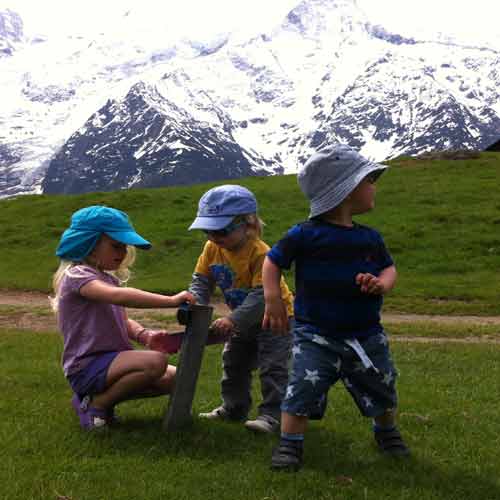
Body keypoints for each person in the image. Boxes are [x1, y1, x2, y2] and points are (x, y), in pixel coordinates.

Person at [262, 144, 410, 471]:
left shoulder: (370, 238)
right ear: (345, 190)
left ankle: (386, 431)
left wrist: (382, 283)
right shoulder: (304, 234)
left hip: (366, 334)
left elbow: (389, 268)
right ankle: (290, 445)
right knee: (302, 386)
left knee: (382, 382)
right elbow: (272, 262)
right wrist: (272, 297)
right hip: (316, 334)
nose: (375, 186)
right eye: (369, 179)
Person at [52, 205, 195, 430]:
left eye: (124, 247)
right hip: (86, 366)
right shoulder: (77, 276)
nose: (123, 253)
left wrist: (145, 336)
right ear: (88, 244)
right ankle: (97, 404)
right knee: (155, 362)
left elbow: (122, 320)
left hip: (111, 362)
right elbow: (119, 297)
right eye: (116, 246)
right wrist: (170, 301)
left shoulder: (107, 279)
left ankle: (92, 401)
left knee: (177, 378)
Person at [188, 184, 294, 433]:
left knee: (273, 367)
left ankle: (272, 415)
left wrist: (233, 319)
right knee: (233, 362)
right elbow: (201, 280)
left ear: (248, 224)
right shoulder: (212, 248)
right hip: (242, 322)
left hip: (275, 319)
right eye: (208, 230)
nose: (214, 237)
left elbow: (261, 296)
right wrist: (196, 305)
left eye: (221, 230)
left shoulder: (261, 254)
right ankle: (234, 408)